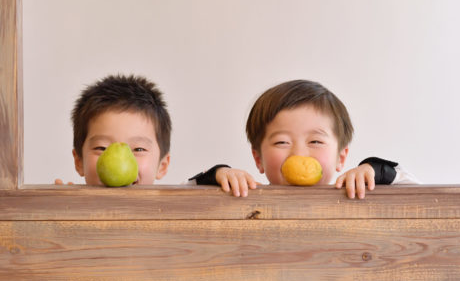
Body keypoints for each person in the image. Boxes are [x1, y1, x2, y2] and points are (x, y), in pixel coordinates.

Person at [190, 79, 418, 198]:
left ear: (341, 157)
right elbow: (182, 194)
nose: (299, 154)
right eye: (282, 142)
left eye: (315, 142)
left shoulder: (354, 192)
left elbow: (419, 193)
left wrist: (376, 171)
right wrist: (217, 175)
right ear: (258, 158)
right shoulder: (244, 194)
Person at [57, 74, 244, 186]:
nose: (122, 158)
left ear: (162, 165)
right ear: (79, 161)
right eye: (102, 148)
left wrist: (219, 174)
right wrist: (55, 205)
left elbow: (195, 186)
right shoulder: (73, 206)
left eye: (138, 149)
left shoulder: (170, 205)